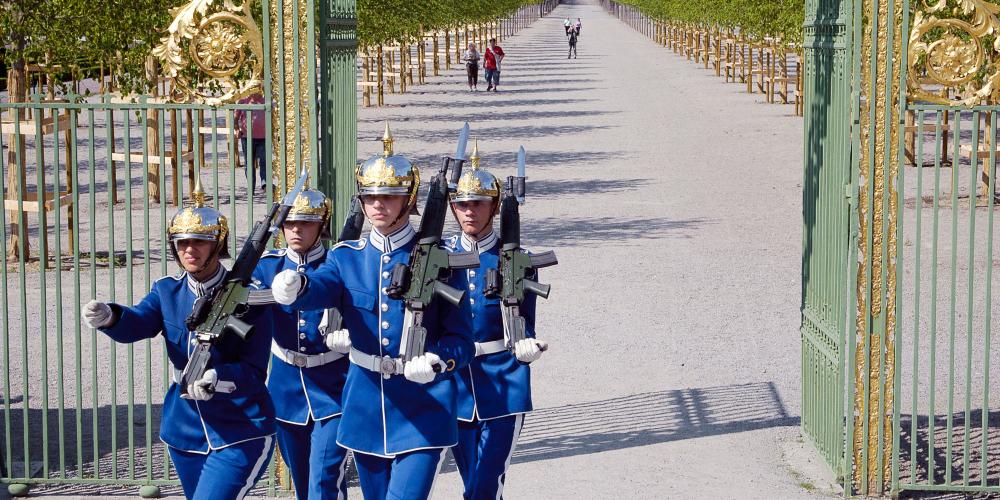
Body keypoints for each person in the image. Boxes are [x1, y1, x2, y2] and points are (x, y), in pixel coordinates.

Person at [270, 124, 474, 500]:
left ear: (408, 200)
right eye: (371, 196)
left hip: (424, 406)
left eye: (389, 196)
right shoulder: (347, 257)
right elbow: (322, 288)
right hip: (365, 403)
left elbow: (463, 341)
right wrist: (296, 288)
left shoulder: (442, 259)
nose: (378, 205)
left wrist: (438, 361)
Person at [82, 184, 276, 500]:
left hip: (241, 428)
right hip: (184, 428)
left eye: (200, 242)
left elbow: (254, 371)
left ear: (218, 245)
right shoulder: (167, 292)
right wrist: (110, 317)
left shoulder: (250, 296)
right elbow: (139, 323)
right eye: (182, 242)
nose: (190, 249)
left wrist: (218, 377)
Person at [445, 144, 545, 500]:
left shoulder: (516, 257)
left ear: (494, 207)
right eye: (462, 205)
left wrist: (527, 342)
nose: (469, 212)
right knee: (474, 479)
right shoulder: (439, 256)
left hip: (504, 379)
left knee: (487, 479)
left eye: (478, 204)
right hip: (455, 382)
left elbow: (525, 318)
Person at [253, 185, 351, 500]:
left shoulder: (341, 263)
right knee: (304, 482)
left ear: (321, 226)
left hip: (335, 383)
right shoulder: (267, 266)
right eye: (290, 222)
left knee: (325, 475)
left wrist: (353, 337)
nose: (296, 229)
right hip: (286, 386)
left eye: (306, 222)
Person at [235, 92, 268, 192]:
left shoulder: (266, 102)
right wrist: (237, 130)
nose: (255, 92)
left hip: (263, 138)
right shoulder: (243, 102)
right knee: (249, 163)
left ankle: (265, 183)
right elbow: (235, 119)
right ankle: (251, 186)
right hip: (247, 137)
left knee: (264, 161)